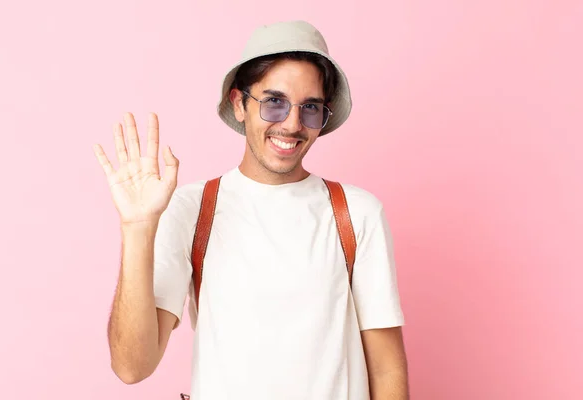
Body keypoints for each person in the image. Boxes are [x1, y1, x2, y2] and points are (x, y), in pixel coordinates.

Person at [94, 20, 409, 400]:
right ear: (239, 103)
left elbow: (387, 368)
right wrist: (137, 228)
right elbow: (132, 367)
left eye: (310, 108)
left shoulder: (356, 213)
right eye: (274, 102)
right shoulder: (193, 209)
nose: (292, 125)